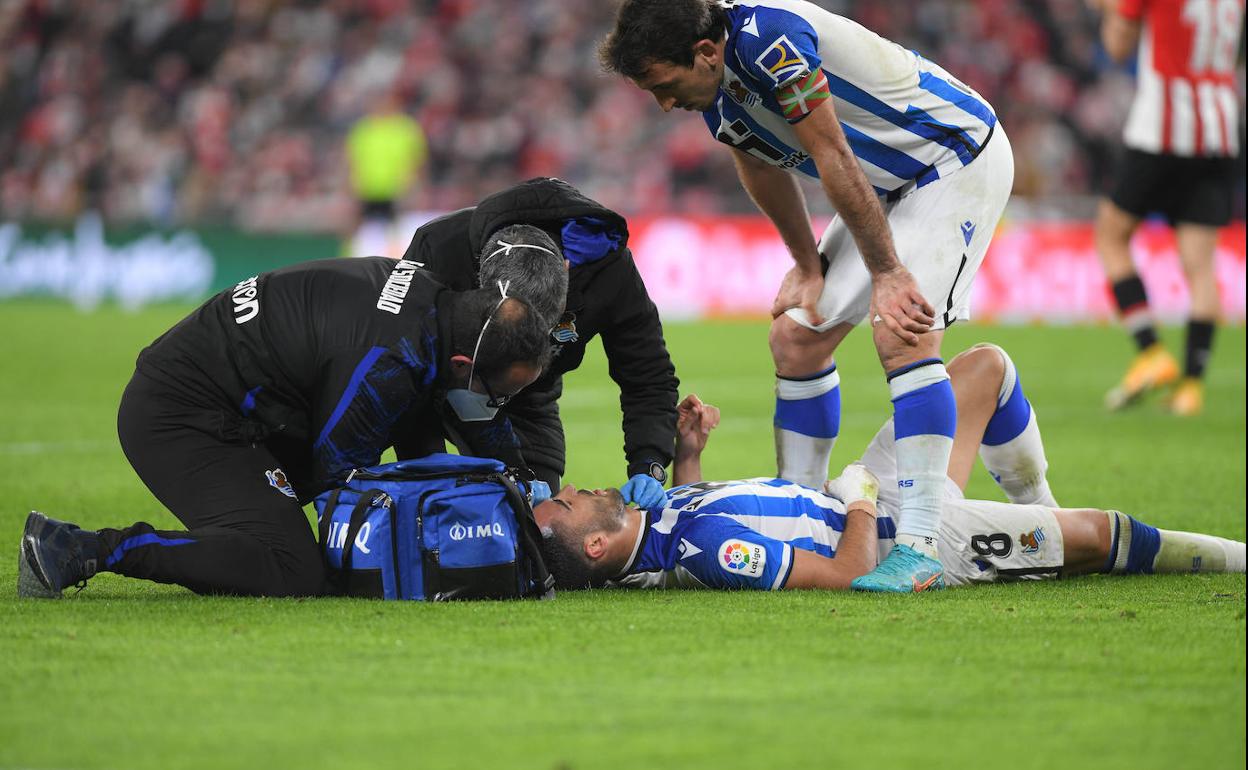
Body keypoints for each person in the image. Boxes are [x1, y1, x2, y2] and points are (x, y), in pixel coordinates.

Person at [598, 0, 1016, 591]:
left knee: (901, 329)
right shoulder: (714, 88)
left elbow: (831, 153)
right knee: (796, 338)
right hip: (888, 184)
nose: (664, 104)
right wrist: (805, 265)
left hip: (951, 158)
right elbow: (763, 167)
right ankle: (799, 511)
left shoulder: (773, 43)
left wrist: (888, 271)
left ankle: (921, 544)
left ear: (705, 53)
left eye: (665, 87)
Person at [18, 252, 554, 599]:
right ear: (465, 365)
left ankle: (232, 549)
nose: (495, 405)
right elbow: (340, 481)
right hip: (182, 417)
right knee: (293, 568)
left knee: (410, 426)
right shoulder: (385, 362)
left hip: (238, 402)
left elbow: (428, 429)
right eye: (497, 392)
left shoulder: (435, 303)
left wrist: (526, 481)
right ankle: (86, 547)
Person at [535, 343, 1244, 591]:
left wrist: (688, 458)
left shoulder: (654, 527)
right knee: (1102, 534)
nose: (572, 489)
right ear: (595, 545)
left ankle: (1037, 513)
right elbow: (847, 574)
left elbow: (680, 534)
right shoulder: (717, 551)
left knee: (983, 370)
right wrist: (861, 498)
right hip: (896, 534)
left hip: (871, 498)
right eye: (566, 505)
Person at [401, 177, 680, 510]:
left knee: (538, 517)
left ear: (565, 272)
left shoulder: (609, 270)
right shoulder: (441, 248)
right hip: (438, 385)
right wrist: (426, 467)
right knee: (428, 504)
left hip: (529, 393)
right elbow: (402, 360)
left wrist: (649, 460)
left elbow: (647, 372)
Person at [1091, 0, 1243, 416]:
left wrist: (1111, 10)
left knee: (1111, 234)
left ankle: (1151, 351)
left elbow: (1117, 47)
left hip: (1162, 129)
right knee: (1200, 264)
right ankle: (1191, 387)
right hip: (1220, 131)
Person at [345, 91, 428, 257]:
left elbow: (418, 159)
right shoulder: (363, 129)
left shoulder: (406, 128)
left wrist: (414, 186)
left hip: (397, 189)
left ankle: (396, 261)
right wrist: (351, 185)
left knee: (397, 229)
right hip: (367, 188)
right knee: (358, 228)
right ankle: (350, 258)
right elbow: (352, 160)